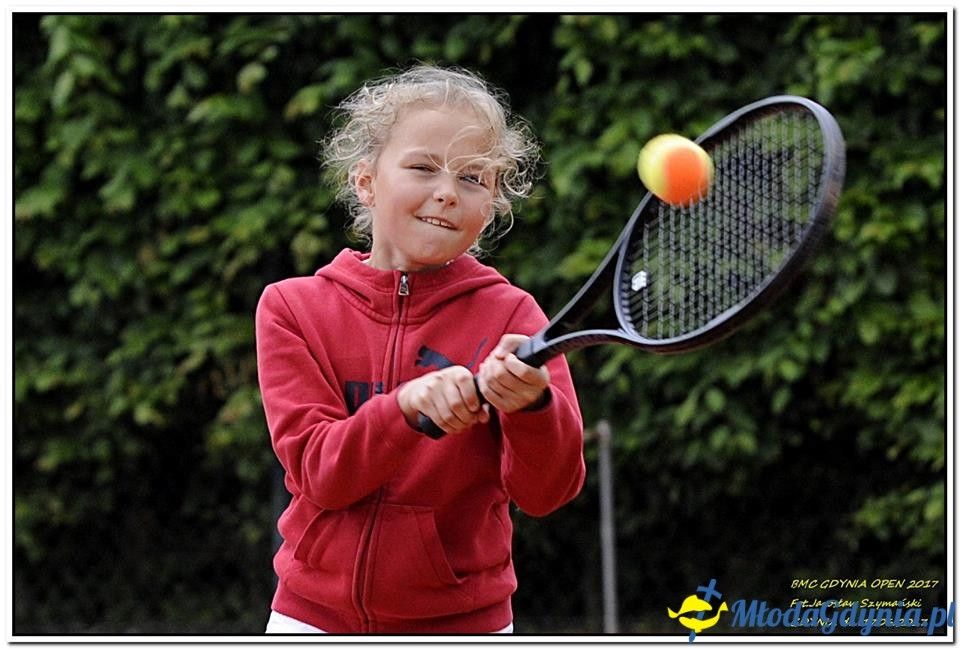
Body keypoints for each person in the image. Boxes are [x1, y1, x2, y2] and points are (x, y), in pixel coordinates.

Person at [256, 64, 585, 634]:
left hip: (465, 625)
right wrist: (406, 409)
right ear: (366, 182)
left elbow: (547, 493)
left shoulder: (514, 318)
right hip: (311, 621)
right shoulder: (292, 308)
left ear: (492, 204)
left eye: (473, 177)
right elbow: (321, 472)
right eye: (423, 167)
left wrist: (532, 407)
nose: (447, 192)